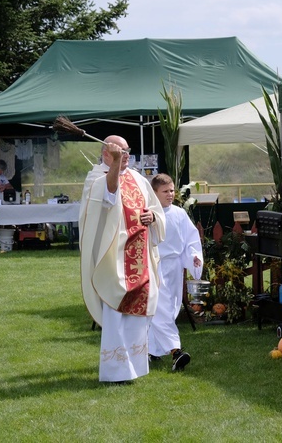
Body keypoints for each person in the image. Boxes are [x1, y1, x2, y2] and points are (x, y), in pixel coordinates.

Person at [79, 135, 166, 383]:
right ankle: (115, 370)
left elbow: (155, 209)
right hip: (113, 258)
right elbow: (108, 197)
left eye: (128, 151)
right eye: (121, 151)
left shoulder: (138, 178)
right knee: (117, 311)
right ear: (107, 153)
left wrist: (153, 217)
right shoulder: (96, 178)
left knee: (138, 313)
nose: (127, 155)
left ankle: (135, 366)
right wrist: (116, 165)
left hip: (139, 257)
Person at [147, 173, 203, 371]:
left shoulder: (179, 214)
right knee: (160, 307)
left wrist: (194, 256)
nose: (170, 194)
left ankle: (151, 350)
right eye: (165, 191)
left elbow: (190, 239)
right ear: (154, 193)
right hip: (154, 265)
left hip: (175, 266)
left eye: (172, 190)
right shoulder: (148, 214)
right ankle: (176, 352)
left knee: (170, 308)